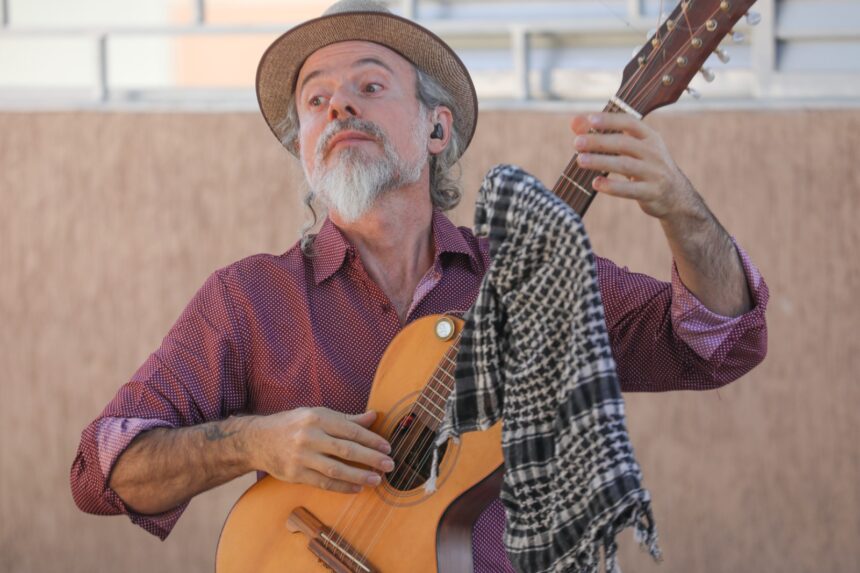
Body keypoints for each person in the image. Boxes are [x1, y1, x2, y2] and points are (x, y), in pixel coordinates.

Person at [70, 1, 768, 571]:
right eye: (316, 99)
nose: (339, 107)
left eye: (369, 87)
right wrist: (252, 443)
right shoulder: (248, 298)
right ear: (303, 147)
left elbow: (714, 341)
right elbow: (103, 468)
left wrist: (682, 210)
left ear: (438, 129)